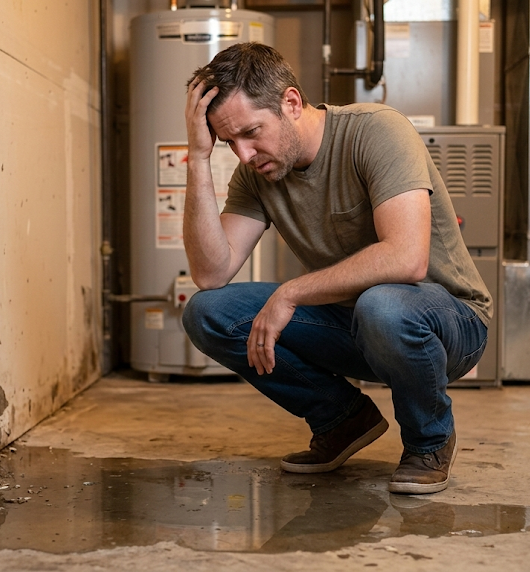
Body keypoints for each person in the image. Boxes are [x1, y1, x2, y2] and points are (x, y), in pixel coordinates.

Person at [180, 43, 491, 495]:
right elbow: (210, 274)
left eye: (251, 132)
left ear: (290, 102)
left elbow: (407, 258)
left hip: (446, 321)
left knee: (382, 304)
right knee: (207, 311)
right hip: (355, 322)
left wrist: (290, 294)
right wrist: (199, 158)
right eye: (230, 142)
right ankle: (343, 420)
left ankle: (429, 440)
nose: (244, 154)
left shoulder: (376, 131)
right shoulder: (256, 171)